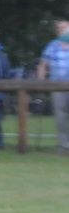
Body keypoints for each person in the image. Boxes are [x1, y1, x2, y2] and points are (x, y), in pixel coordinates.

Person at [38, 19, 69, 154]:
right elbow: (43, 65)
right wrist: (41, 84)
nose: (61, 30)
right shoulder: (52, 46)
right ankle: (63, 146)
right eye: (59, 28)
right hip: (56, 86)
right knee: (60, 116)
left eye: (64, 28)